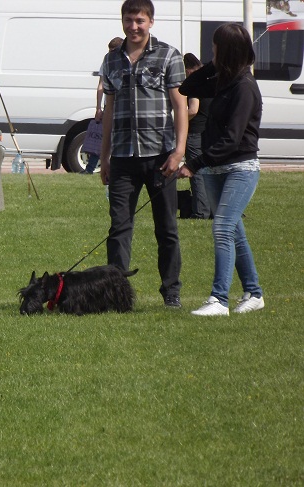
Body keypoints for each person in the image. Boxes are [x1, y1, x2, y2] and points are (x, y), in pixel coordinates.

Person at [100, 0, 188, 308]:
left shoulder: (168, 55)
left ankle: (171, 293)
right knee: (119, 229)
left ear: (151, 21)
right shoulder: (111, 60)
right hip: (123, 158)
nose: (134, 26)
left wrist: (179, 151)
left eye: (140, 20)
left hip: (160, 157)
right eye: (129, 20)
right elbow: (109, 110)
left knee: (167, 229)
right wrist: (105, 156)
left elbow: (180, 107)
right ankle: (116, 296)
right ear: (122, 21)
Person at [178, 23, 264, 316]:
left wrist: (194, 164)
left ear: (227, 50)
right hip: (215, 170)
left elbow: (232, 139)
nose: (211, 50)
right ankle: (254, 293)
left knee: (223, 228)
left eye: (215, 47)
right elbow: (187, 87)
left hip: (241, 168)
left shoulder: (245, 87)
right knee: (233, 231)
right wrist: (213, 65)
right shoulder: (223, 81)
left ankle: (219, 300)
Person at [82, 36, 124, 175]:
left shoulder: (126, 61)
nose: (111, 54)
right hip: (109, 106)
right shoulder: (108, 61)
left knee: (119, 138)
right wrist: (98, 108)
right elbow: (101, 85)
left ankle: (118, 168)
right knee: (102, 136)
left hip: (123, 107)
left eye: (113, 51)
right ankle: (90, 168)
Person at [183, 53, 211, 219]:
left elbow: (193, 110)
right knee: (210, 171)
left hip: (195, 133)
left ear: (187, 70)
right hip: (209, 132)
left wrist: (177, 120)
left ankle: (201, 211)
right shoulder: (210, 80)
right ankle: (213, 208)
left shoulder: (194, 84)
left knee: (196, 172)